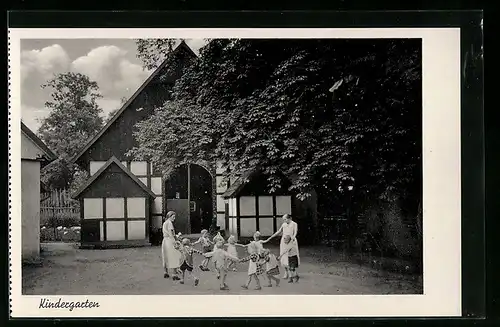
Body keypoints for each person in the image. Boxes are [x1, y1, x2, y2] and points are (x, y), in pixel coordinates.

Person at [265, 213, 300, 279]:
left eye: (285, 219)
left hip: (291, 241)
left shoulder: (294, 224)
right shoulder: (284, 224)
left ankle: (293, 272)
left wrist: (292, 238)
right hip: (284, 241)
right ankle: (286, 272)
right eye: (283, 219)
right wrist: (271, 237)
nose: (284, 221)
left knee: (291, 256)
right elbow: (279, 231)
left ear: (289, 218)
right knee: (284, 256)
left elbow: (295, 232)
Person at [161, 211, 182, 280]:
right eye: (173, 217)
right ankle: (174, 274)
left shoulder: (165, 223)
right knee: (174, 256)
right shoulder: (170, 223)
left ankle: (165, 272)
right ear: (169, 217)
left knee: (165, 255)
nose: (174, 218)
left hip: (165, 240)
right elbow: (171, 234)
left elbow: (166, 233)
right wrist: (175, 242)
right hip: (170, 241)